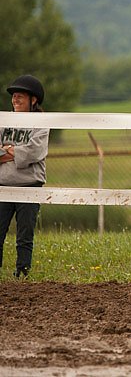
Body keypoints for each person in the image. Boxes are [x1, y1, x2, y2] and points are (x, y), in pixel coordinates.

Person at [0, 75, 49, 278]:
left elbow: (35, 151)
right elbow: (25, 153)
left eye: (20, 96)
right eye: (14, 97)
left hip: (30, 185)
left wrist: (8, 151)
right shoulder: (3, 120)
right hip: (3, 185)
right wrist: (16, 152)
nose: (15, 100)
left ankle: (23, 271)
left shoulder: (42, 123)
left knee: (25, 233)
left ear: (33, 99)